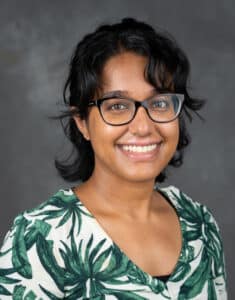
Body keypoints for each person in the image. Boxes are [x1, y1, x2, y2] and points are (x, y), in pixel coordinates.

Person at [0, 18, 227, 299]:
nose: (143, 127)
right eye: (117, 106)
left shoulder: (200, 224)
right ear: (82, 121)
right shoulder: (40, 238)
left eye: (159, 103)